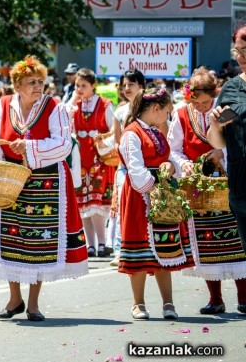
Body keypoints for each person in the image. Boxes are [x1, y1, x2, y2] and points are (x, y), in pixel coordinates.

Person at [0, 55, 89, 321]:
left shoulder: (55, 107)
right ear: (17, 85)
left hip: (46, 182)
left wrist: (29, 148)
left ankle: (33, 303)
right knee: (10, 237)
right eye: (31, 82)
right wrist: (1, 167)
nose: (38, 86)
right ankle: (14, 298)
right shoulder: (4, 105)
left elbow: (63, 144)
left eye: (41, 81)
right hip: (11, 181)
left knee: (41, 240)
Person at [169, 67, 246, 315]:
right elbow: (174, 149)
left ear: (214, 94)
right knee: (205, 242)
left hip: (228, 181)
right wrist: (185, 164)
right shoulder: (181, 115)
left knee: (235, 240)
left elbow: (236, 138)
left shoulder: (224, 110)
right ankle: (215, 298)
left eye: (206, 102)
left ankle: (244, 297)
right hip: (198, 189)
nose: (202, 107)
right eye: (197, 102)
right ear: (189, 97)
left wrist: (221, 152)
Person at [118, 87, 195, 320]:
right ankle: (138, 303)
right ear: (155, 109)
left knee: (165, 250)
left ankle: (168, 303)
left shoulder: (156, 132)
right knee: (140, 252)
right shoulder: (131, 134)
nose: (168, 116)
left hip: (161, 195)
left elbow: (168, 157)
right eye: (167, 111)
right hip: (140, 198)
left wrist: (174, 166)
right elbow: (135, 169)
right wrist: (156, 188)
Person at [67, 68, 115, 258]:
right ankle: (90, 244)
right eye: (77, 85)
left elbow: (114, 130)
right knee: (83, 205)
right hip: (80, 160)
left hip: (99, 160)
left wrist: (103, 142)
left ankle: (102, 243)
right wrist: (72, 100)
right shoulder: (74, 105)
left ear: (93, 86)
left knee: (97, 203)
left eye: (84, 86)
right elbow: (63, 121)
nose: (79, 89)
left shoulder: (104, 105)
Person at [208, 25, 246, 252]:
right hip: (242, 185)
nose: (241, 56)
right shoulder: (231, 89)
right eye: (238, 50)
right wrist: (215, 125)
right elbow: (218, 143)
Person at [109, 69, 146, 266]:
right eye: (124, 85)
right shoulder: (120, 111)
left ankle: (147, 248)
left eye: (131, 84)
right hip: (125, 168)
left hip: (148, 168)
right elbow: (117, 142)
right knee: (123, 207)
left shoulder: (151, 109)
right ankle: (119, 250)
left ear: (141, 85)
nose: (127, 88)